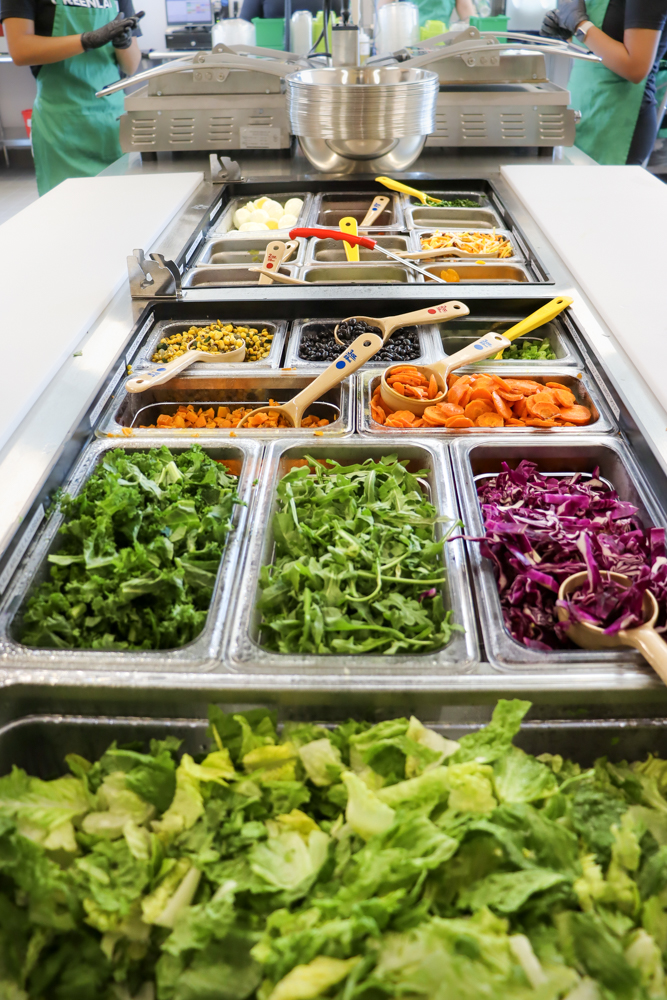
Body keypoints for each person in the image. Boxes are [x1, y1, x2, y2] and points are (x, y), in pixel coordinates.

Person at [1, 1, 144, 195]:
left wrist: (123, 41)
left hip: (112, 124)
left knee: (118, 207)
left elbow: (131, 66)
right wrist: (87, 40)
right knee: (69, 214)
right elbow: (20, 49)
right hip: (62, 128)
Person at [541, 0, 667, 165]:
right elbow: (599, 47)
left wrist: (580, 26)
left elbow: (636, 68)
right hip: (582, 113)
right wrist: (567, 33)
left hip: (617, 123)